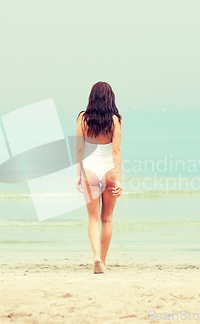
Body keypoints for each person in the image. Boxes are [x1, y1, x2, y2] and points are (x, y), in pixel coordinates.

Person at [76, 81, 123, 274]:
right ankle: (102, 262)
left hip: (91, 170)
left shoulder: (82, 118)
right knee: (107, 219)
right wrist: (118, 178)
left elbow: (79, 148)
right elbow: (116, 151)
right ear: (109, 97)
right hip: (109, 170)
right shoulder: (115, 120)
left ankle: (95, 256)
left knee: (93, 219)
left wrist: (78, 174)